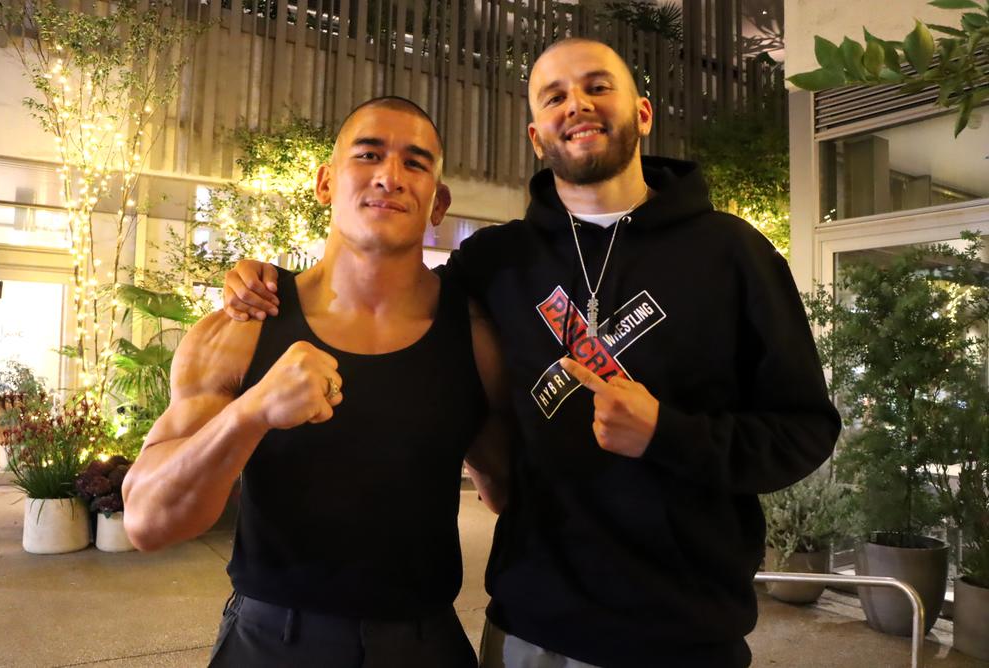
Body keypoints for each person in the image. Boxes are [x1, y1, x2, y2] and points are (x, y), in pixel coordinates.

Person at [221, 38, 842, 668]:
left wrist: (666, 434)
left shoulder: (732, 254)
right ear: (537, 136)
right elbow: (381, 288)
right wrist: (271, 282)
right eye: (554, 96)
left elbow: (805, 431)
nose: (577, 105)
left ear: (643, 113)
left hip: (684, 634)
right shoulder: (496, 261)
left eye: (598, 87)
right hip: (529, 627)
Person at [121, 96, 510, 668]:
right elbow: (148, 521)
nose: (390, 176)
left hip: (423, 643)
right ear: (326, 182)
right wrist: (251, 412)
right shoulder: (244, 326)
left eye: (415, 162)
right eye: (369, 154)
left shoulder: (475, 338)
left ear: (438, 203)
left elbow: (513, 495)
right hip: (270, 640)